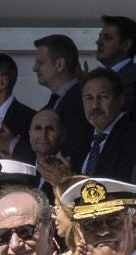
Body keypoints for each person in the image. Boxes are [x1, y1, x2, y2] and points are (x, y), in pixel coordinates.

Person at [36, 33, 96, 163]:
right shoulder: (53, 104)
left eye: (40, 63)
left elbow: (73, 150)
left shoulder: (81, 102)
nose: (35, 68)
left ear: (60, 64)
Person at [79, 68, 136, 182]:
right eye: (89, 98)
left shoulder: (134, 139)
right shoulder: (81, 138)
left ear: (120, 99)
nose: (95, 106)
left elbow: (118, 185)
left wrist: (70, 179)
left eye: (103, 97)